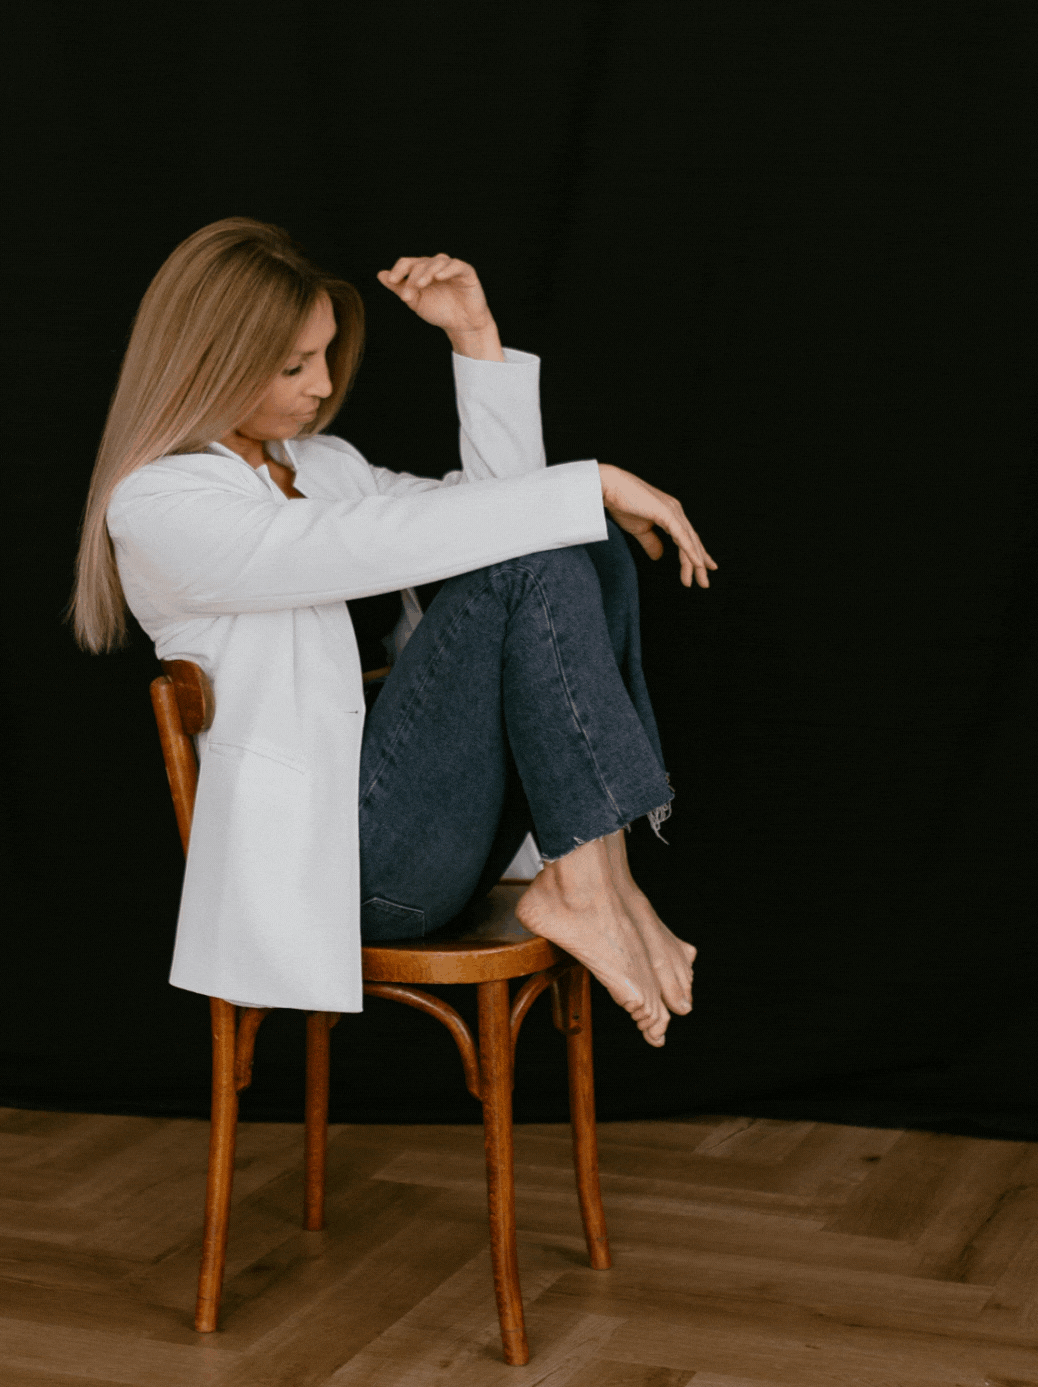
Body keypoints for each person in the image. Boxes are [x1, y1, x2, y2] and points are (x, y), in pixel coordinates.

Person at [72, 218, 717, 1048]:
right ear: (210, 364)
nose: (322, 382)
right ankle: (591, 885)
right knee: (543, 538)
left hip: (442, 826)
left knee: (579, 546)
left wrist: (474, 339)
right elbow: (373, 544)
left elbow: (504, 518)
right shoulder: (160, 507)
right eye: (293, 364)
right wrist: (592, 478)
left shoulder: (323, 464)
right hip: (346, 869)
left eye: (326, 354)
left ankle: (598, 876)